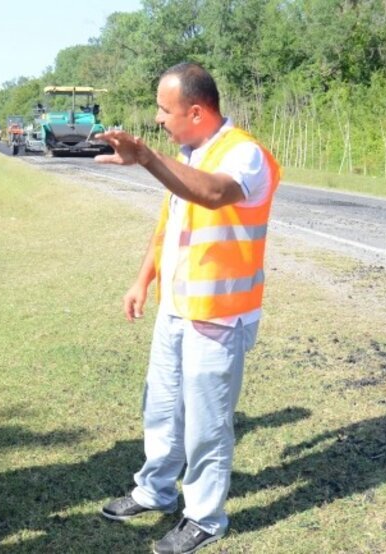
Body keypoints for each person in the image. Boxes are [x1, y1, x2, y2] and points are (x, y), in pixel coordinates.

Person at [95, 62, 281, 554]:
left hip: (219, 316)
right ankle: (154, 490)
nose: (158, 118)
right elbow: (169, 230)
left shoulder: (243, 153)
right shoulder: (191, 153)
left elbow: (215, 194)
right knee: (159, 407)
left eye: (164, 109)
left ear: (195, 111)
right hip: (176, 310)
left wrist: (147, 159)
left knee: (206, 424)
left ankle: (203, 518)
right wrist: (142, 281)